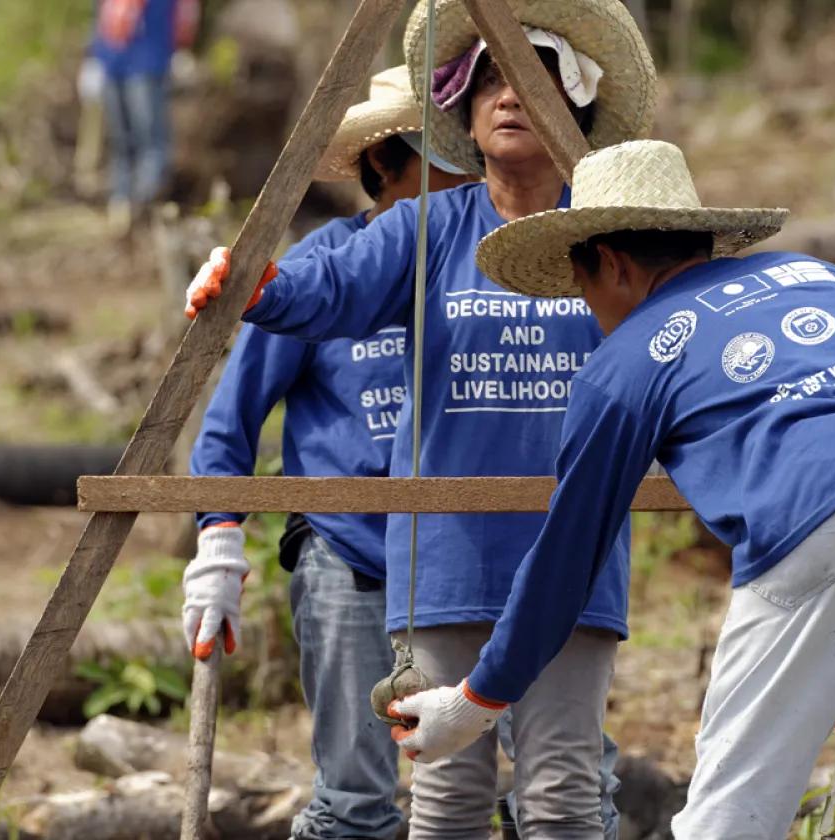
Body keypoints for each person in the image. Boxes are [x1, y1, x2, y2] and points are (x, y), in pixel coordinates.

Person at [383, 138, 835, 839]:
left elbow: (565, 562)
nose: (590, 312)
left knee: (727, 820)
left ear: (608, 263)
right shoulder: (819, 277)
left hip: (808, 515)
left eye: (580, 288)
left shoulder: (622, 365)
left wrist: (476, 701)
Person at [182, 1, 655, 834]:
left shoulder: (613, 236)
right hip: (442, 563)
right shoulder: (426, 229)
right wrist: (256, 282)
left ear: (574, 105)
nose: (510, 96)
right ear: (464, 119)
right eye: (489, 82)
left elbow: (678, 353)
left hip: (574, 555)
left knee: (563, 796)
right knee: (448, 797)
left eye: (536, 79)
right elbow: (329, 289)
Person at [182, 66, 471, 840]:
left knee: (481, 786)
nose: (466, 176)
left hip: (468, 559)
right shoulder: (328, 268)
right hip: (350, 554)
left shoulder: (486, 266)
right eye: (442, 156)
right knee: (354, 795)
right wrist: (218, 539)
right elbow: (230, 418)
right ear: (386, 163)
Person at [87, 0, 199, 226]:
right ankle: (121, 200)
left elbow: (183, 13)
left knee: (149, 138)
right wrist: (94, 57)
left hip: (148, 64)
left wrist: (182, 48)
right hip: (113, 63)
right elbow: (102, 15)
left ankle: (145, 205)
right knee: (120, 138)